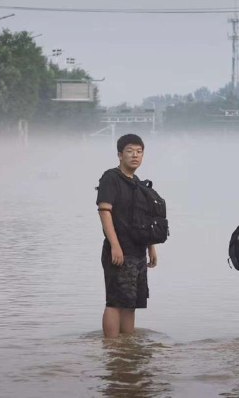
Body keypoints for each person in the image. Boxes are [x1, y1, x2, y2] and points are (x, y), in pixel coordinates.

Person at [96, 134, 159, 338]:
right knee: (115, 301)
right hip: (118, 251)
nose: (135, 156)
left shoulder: (138, 183)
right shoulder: (110, 178)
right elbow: (104, 212)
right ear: (119, 155)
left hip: (138, 251)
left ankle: (127, 350)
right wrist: (115, 245)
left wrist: (151, 246)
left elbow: (144, 218)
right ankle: (112, 349)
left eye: (139, 152)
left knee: (131, 303)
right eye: (130, 151)